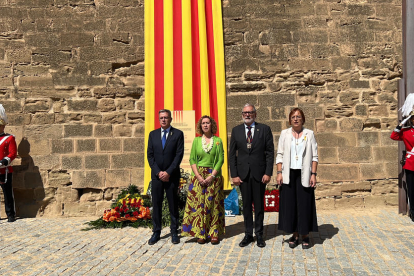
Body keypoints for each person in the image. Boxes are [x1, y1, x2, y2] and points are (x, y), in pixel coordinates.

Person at [229, 103, 274, 248]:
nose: (247, 115)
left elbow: (269, 153)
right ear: (242, 115)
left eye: (250, 112)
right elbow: (232, 155)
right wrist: (234, 174)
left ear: (255, 114)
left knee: (259, 205)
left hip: (259, 174)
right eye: (245, 113)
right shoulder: (236, 131)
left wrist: (268, 172)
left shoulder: (265, 129)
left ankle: (259, 234)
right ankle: (248, 234)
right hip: (243, 175)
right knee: (247, 205)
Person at [276, 108, 318, 249]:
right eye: (293, 117)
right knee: (291, 205)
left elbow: (314, 156)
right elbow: (280, 154)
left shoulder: (309, 134)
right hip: (288, 174)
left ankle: (305, 234)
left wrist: (313, 174)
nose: (295, 119)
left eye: (298, 116)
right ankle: (295, 234)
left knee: (304, 204)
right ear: (290, 120)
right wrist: (279, 172)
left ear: (302, 119)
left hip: (304, 173)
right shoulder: (285, 134)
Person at [181, 115, 225, 244]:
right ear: (200, 126)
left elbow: (220, 159)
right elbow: (192, 159)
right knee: (198, 205)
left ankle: (214, 233)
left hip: (213, 175)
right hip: (198, 176)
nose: (205, 125)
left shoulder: (218, 140)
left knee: (213, 205)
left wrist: (212, 176)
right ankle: (200, 233)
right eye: (203, 123)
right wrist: (199, 176)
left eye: (208, 123)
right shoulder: (196, 141)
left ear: (212, 125)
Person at [147, 109, 184, 245]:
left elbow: (178, 155)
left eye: (166, 117)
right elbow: (150, 156)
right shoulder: (153, 135)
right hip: (157, 177)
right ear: (159, 119)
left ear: (170, 119)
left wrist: (168, 172)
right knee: (156, 204)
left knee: (173, 204)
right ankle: (156, 231)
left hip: (172, 176)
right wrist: (158, 172)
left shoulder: (178, 134)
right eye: (161, 118)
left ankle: (174, 231)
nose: (163, 120)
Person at [391, 93, 414, 221]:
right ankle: (413, 212)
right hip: (411, 164)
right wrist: (401, 125)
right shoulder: (406, 132)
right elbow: (393, 136)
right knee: (411, 189)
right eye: (413, 119)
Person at [0, 104, 17, 222]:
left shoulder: (9, 138)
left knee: (7, 193)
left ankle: (10, 214)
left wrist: (4, 162)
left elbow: (12, 153)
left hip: (4, 170)